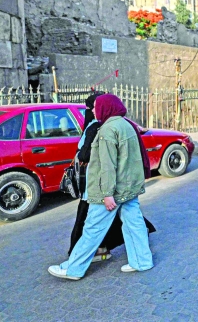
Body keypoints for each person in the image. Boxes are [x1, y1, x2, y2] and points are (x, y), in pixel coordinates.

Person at [49, 94, 154, 280]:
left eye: (96, 107)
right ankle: (142, 261)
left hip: (111, 191)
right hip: (128, 188)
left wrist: (107, 193)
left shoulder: (107, 129)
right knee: (134, 225)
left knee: (93, 229)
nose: (93, 110)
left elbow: (107, 165)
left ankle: (73, 269)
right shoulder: (126, 125)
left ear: (106, 108)